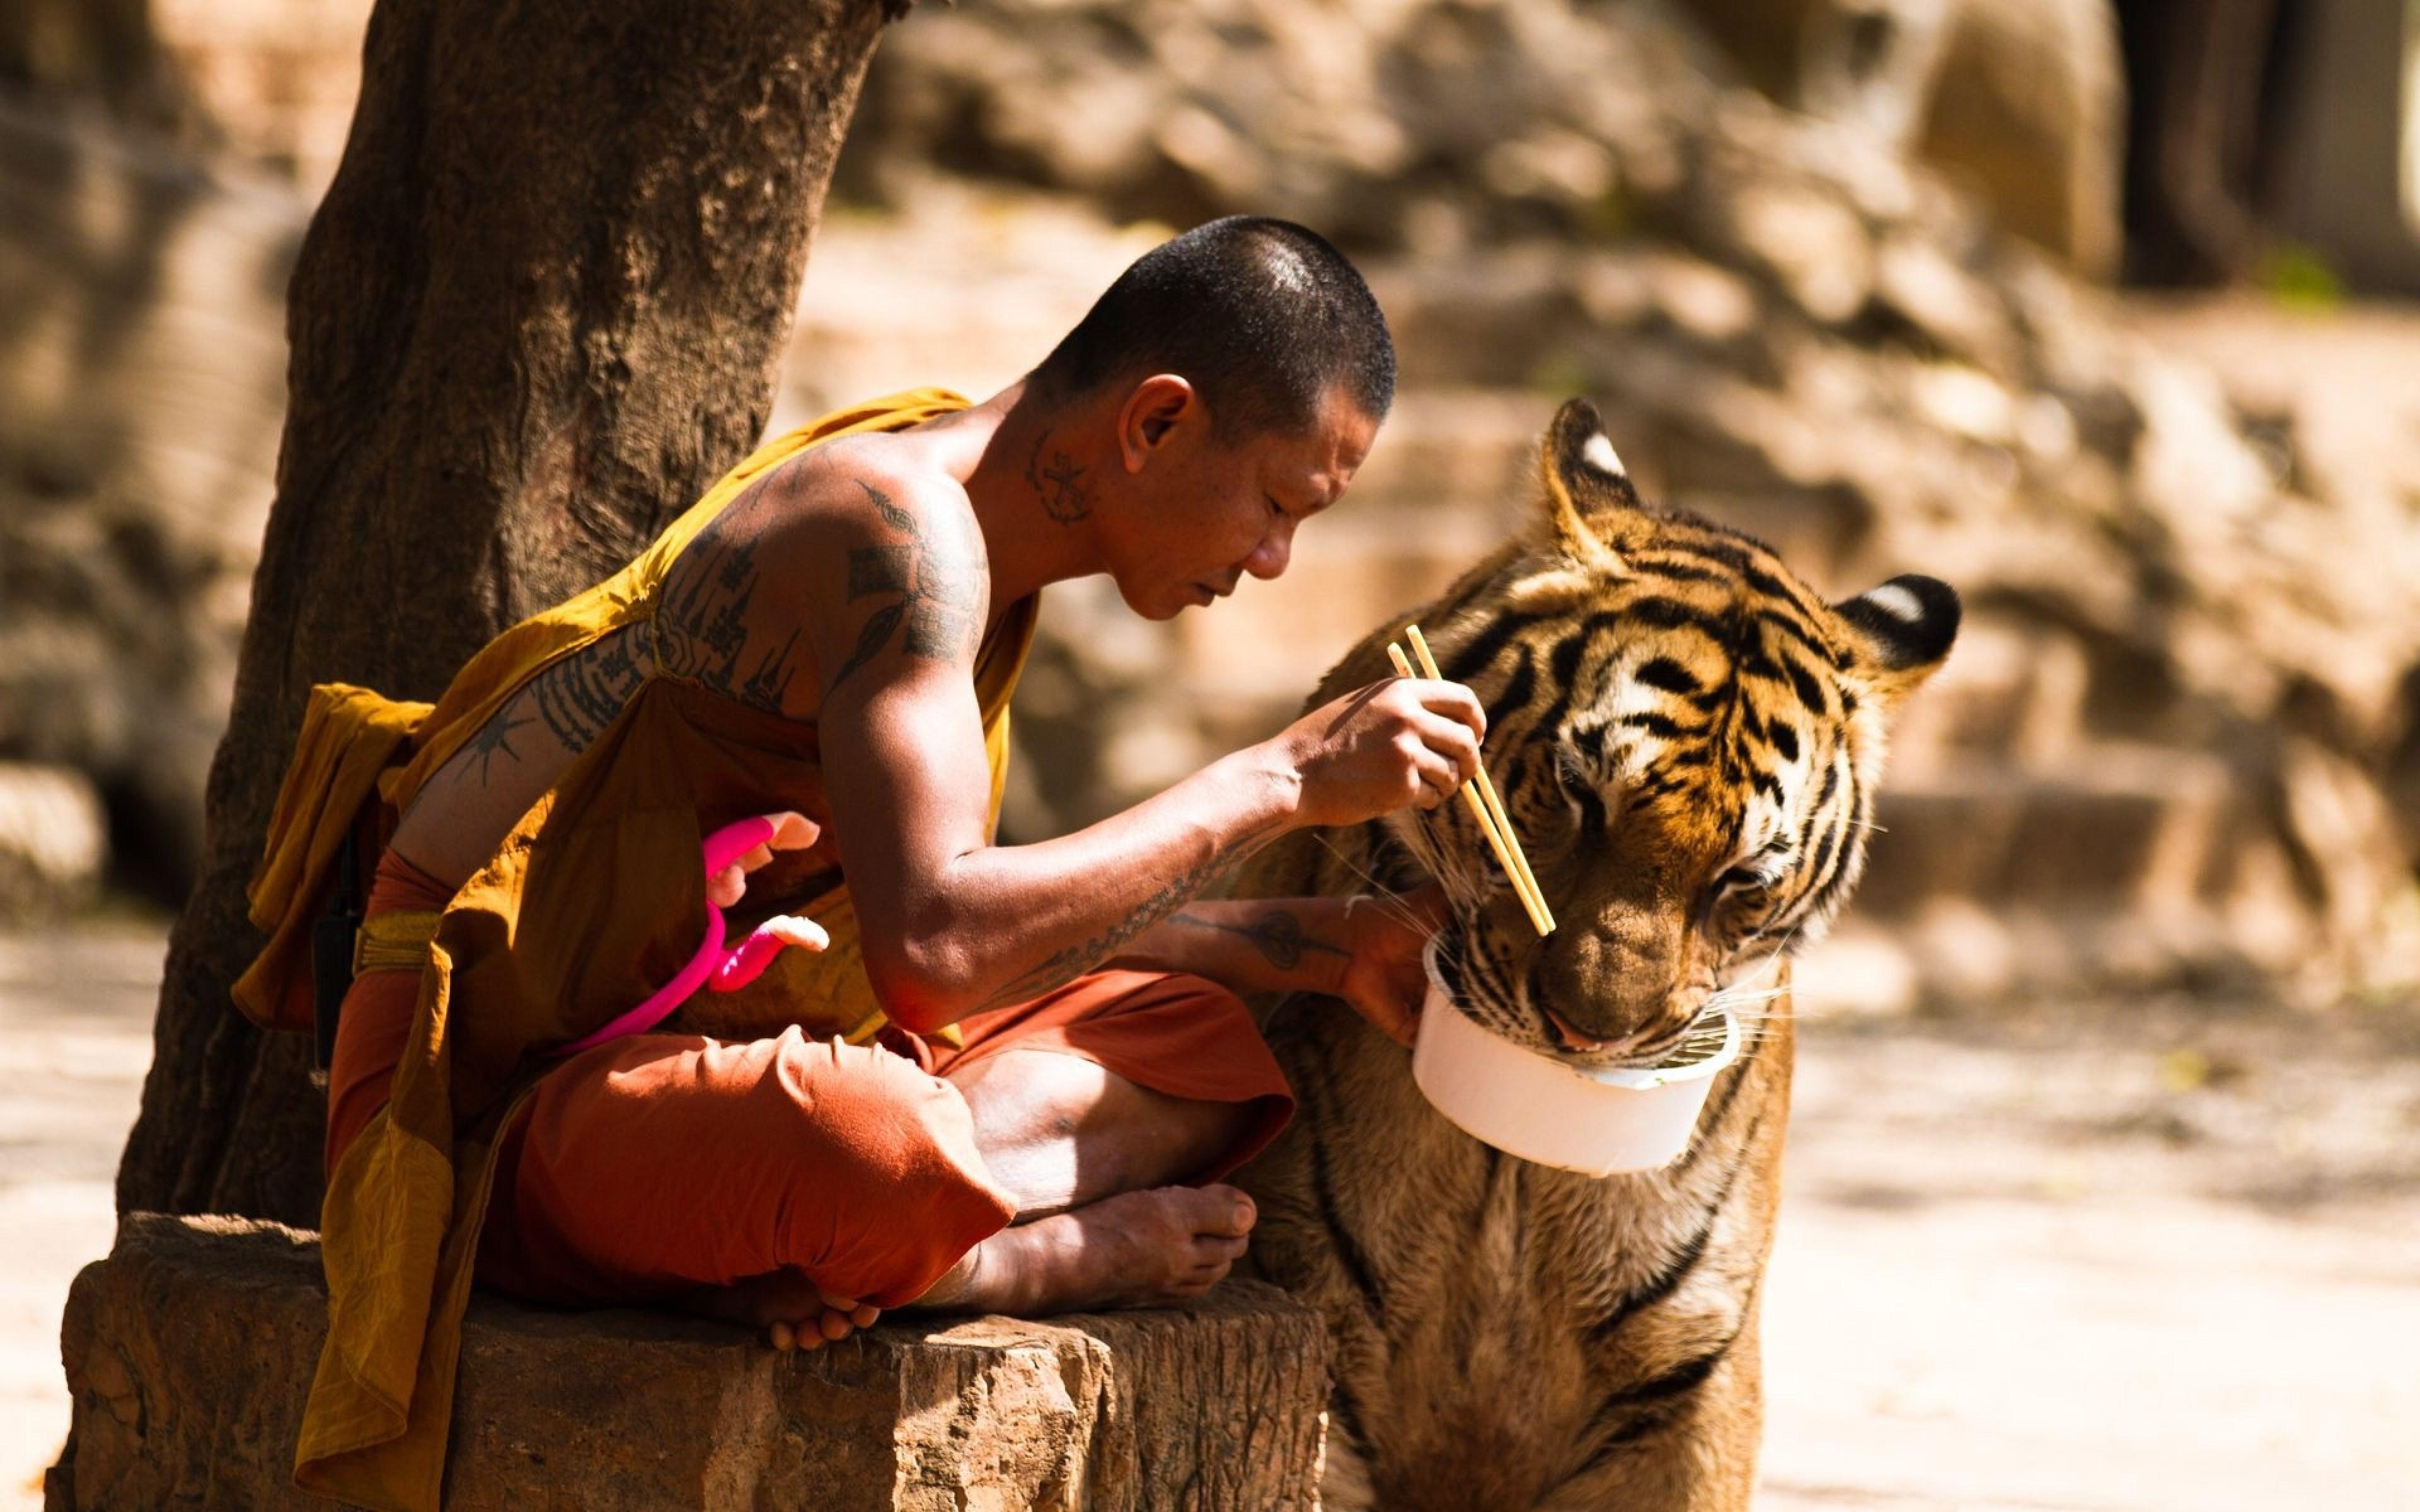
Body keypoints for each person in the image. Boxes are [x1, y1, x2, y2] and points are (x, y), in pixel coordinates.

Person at [253, 215, 1484, 1509]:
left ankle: (853, 1239)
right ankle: (998, 1258)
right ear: (1158, 423)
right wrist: (1279, 777)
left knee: (1202, 1042)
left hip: (732, 1031)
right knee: (865, 1142)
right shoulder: (899, 536)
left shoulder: (988, 547)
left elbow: (970, 918)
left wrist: (1325, 944)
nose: (1273, 561)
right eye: (1279, 505)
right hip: (487, 1095)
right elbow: (938, 951)